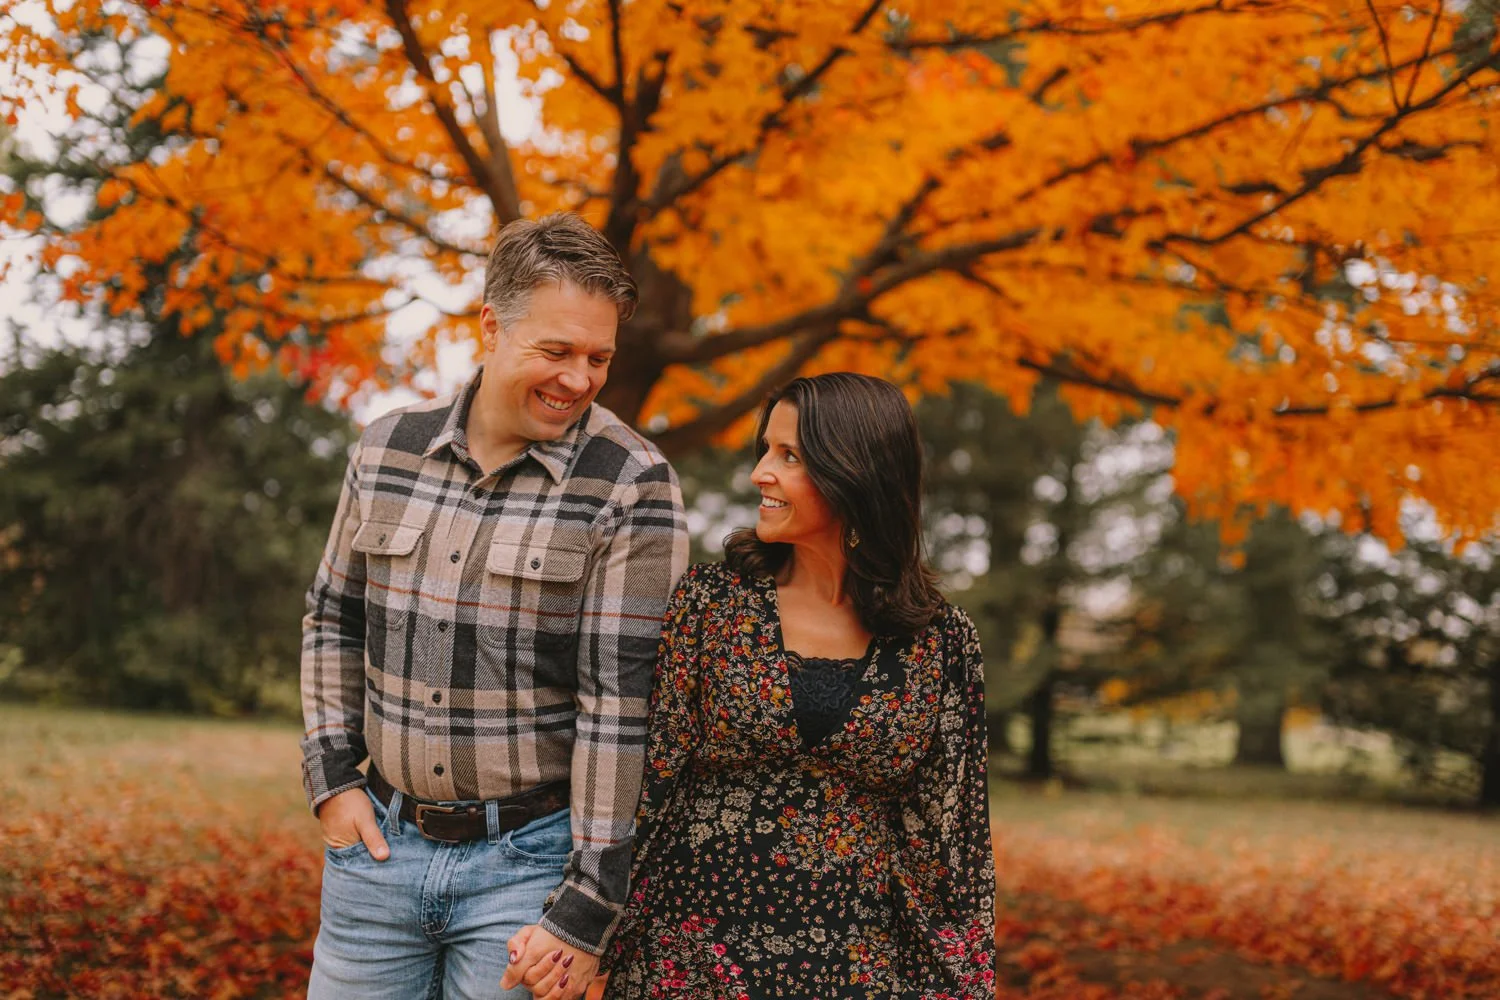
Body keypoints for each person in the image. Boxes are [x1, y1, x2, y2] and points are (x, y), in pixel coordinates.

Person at [299, 212, 688, 1000]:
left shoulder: (632, 483)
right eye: (556, 351)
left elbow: (621, 708)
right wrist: (333, 780)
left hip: (529, 874)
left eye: (598, 358)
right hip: (376, 857)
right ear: (489, 325)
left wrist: (586, 910)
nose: (578, 379)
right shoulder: (384, 450)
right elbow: (331, 618)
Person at [601, 373, 997, 999]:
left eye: (789, 456)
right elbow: (650, 788)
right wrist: (598, 939)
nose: (761, 472)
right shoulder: (711, 604)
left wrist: (960, 987)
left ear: (855, 474)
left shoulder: (940, 640)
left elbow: (953, 840)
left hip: (859, 968)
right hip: (690, 960)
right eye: (765, 449)